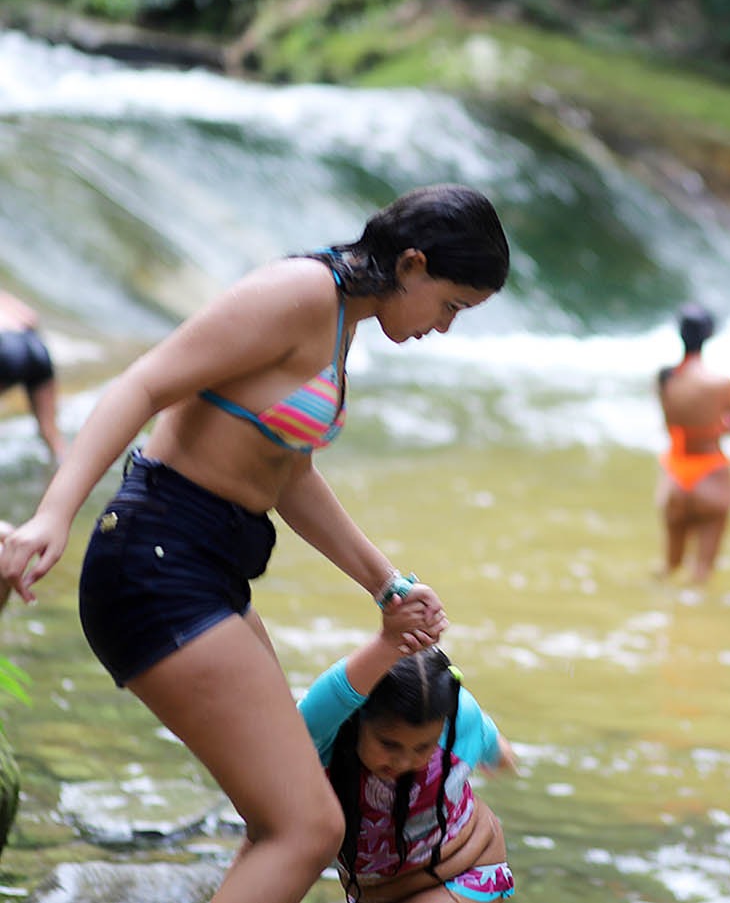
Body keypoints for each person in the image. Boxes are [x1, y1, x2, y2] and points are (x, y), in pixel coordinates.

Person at [0, 183, 510, 903]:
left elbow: (289, 471)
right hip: (158, 560)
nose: (445, 326)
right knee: (306, 828)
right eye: (452, 304)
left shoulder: (340, 320)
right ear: (413, 263)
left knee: (282, 816)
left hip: (207, 566)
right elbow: (143, 384)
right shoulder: (299, 291)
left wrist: (384, 583)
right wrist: (54, 513)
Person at [299, 606, 517, 903]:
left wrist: (501, 757)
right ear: (357, 720)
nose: (403, 762)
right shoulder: (329, 734)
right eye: (389, 745)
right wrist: (389, 642)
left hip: (469, 869)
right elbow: (333, 695)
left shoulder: (460, 715)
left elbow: (497, 749)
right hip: (375, 891)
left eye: (422, 748)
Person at [655, 303, 730, 584]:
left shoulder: (665, 379)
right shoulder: (720, 383)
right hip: (710, 475)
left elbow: (669, 425)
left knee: (669, 568)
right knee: (701, 574)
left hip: (676, 476)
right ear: (710, 335)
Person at [0, 290, 65, 463]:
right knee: (50, 433)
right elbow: (31, 318)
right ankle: (60, 472)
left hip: (6, 352)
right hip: (37, 349)